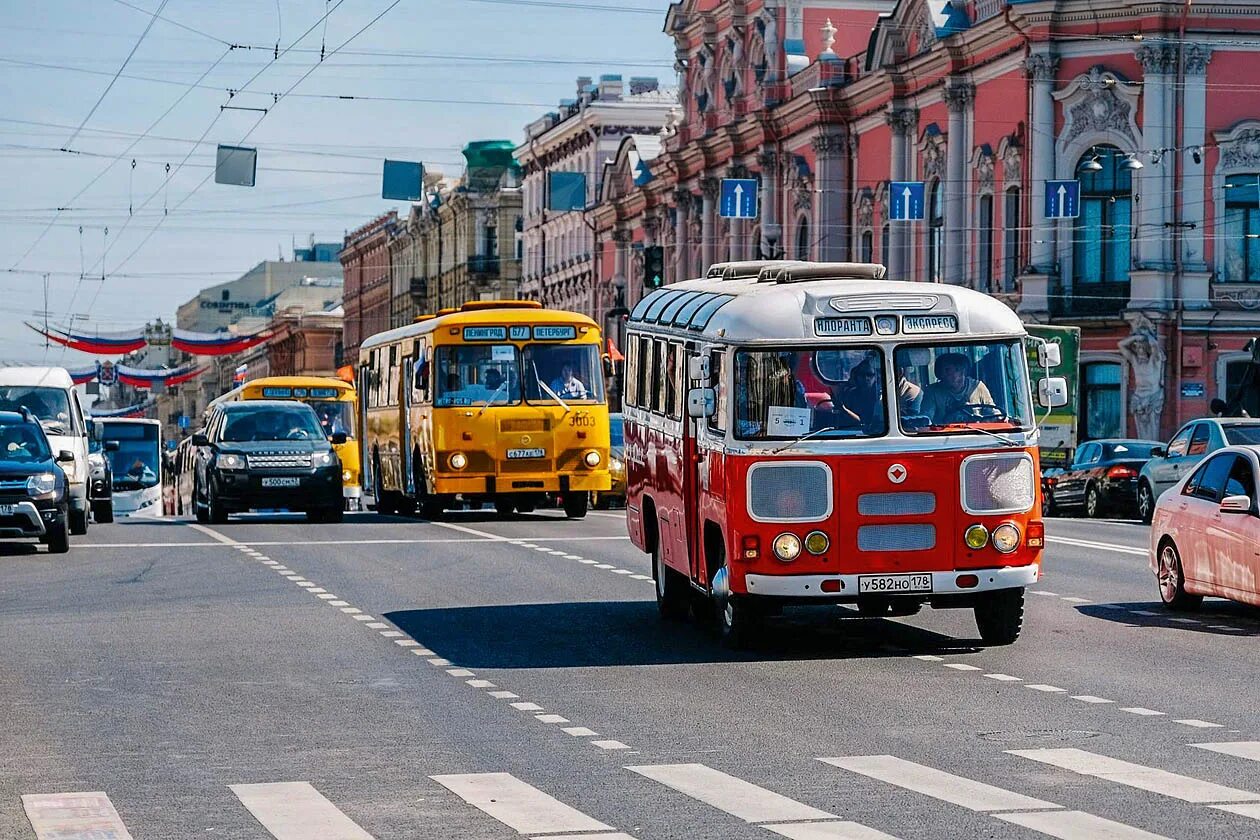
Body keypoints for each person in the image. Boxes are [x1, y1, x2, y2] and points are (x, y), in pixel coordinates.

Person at [920, 353, 995, 425]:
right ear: (940, 374)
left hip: (977, 434)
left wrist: (999, 417)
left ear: (965, 372)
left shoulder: (977, 387)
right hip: (943, 436)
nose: (955, 376)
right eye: (948, 371)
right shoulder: (932, 392)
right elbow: (925, 419)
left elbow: (993, 413)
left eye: (958, 370)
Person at [834, 359, 884, 432]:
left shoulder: (880, 397)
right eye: (862, 374)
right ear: (856, 376)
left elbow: (866, 423)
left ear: (876, 377)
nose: (866, 378)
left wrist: (844, 410)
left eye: (869, 374)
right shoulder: (850, 394)